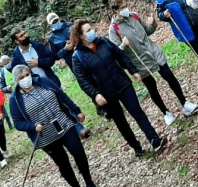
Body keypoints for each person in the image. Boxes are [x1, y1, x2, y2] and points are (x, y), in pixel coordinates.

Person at [68, 18, 166, 157]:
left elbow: (121, 56)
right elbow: (82, 80)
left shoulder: (104, 42)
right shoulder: (78, 57)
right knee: (121, 122)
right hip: (106, 94)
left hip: (123, 83)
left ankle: (155, 140)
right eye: (88, 31)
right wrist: (95, 94)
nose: (92, 32)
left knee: (137, 111)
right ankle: (136, 147)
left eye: (92, 29)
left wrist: (133, 71)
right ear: (81, 36)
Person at [9, 65, 101, 187]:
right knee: (63, 163)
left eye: (27, 75)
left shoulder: (44, 82)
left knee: (78, 151)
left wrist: (76, 111)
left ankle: (89, 183)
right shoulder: (15, 99)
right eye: (21, 78)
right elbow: (17, 122)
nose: (26, 79)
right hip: (46, 136)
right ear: (16, 81)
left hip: (64, 123)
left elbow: (62, 96)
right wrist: (32, 126)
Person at [107, 0, 197, 127]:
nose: (126, 9)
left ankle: (185, 103)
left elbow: (147, 31)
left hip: (153, 52)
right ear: (115, 10)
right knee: (152, 87)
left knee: (169, 76)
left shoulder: (134, 16)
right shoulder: (114, 29)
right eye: (122, 7)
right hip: (139, 61)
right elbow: (117, 52)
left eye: (126, 6)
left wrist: (152, 24)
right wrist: (123, 45)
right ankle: (166, 112)